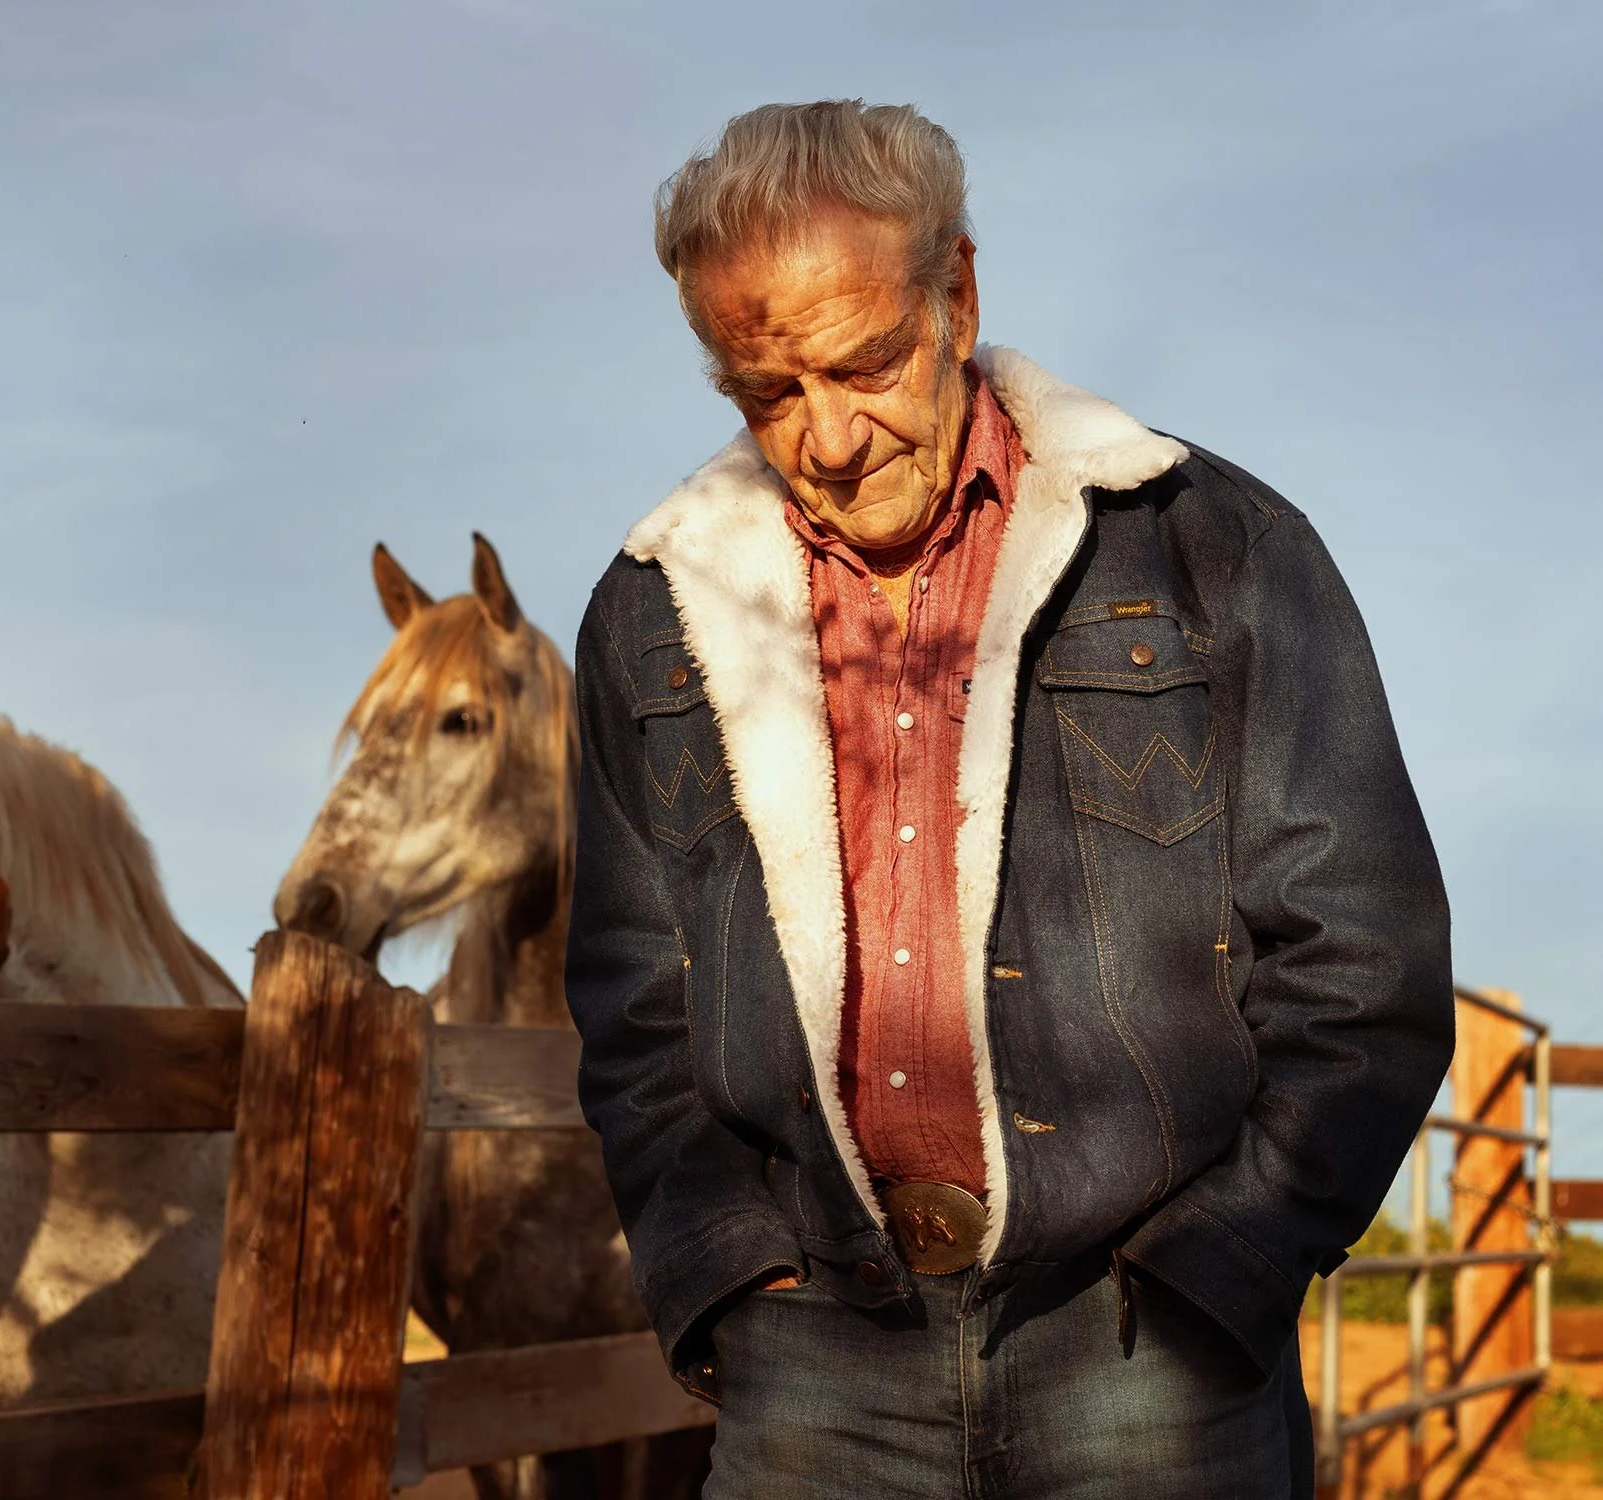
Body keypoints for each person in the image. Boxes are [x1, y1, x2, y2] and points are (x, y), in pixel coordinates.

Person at [563, 99, 1453, 1498]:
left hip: (1147, 1345)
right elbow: (630, 1001)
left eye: (861, 365)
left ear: (958, 294)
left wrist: (1231, 1263)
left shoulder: (1219, 549)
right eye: (767, 394)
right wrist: (725, 1276)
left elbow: (1365, 959)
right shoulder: (647, 616)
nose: (831, 438)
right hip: (814, 1358)